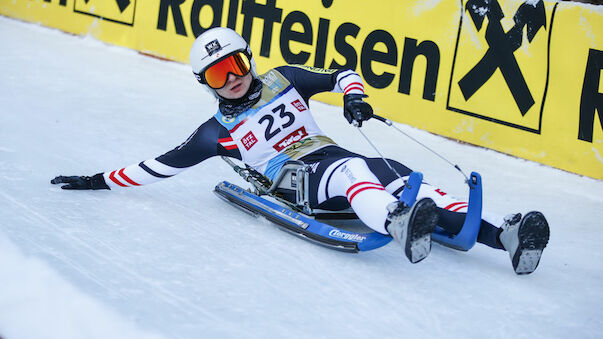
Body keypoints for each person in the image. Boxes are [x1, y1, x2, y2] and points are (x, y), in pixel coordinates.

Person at [51, 27, 550, 274]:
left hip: (329, 156)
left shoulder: (283, 79)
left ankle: (500, 236)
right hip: (294, 182)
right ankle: (396, 221)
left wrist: (353, 97)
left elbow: (341, 73)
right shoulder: (214, 133)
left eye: (238, 63)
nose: (235, 79)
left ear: (248, 57)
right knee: (355, 169)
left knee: (398, 171)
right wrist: (97, 180)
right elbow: (155, 166)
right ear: (206, 84)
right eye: (220, 75)